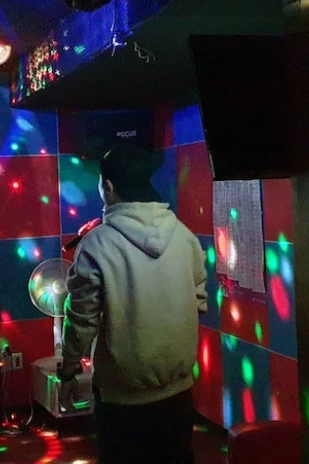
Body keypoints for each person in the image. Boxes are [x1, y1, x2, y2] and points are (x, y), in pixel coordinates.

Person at [57, 143, 208, 464]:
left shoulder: (96, 244)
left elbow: (82, 319)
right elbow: (198, 302)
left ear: (108, 187)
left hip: (121, 400)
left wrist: (68, 370)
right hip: (178, 392)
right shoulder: (185, 237)